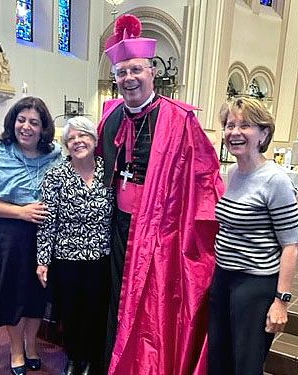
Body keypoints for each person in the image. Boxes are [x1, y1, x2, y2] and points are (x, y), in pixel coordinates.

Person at [97, 14, 225, 375]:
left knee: (151, 307)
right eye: (122, 72)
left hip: (161, 234)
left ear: (152, 71)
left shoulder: (180, 118)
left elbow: (204, 179)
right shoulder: (110, 115)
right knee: (116, 299)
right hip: (118, 227)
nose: (129, 78)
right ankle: (113, 361)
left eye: (136, 70)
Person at [0, 96, 63, 375]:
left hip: (44, 233)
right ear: (12, 122)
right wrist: (20, 212)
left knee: (37, 293)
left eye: (34, 122)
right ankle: (16, 350)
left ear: (43, 127)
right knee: (14, 294)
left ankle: (32, 345)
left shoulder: (55, 154)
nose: (26, 127)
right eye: (21, 120)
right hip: (8, 233)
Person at [209, 97, 298, 375]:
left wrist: (281, 301)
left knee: (245, 366)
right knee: (218, 360)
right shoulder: (233, 172)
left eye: (245, 125)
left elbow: (292, 244)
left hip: (255, 285)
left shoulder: (276, 179)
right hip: (224, 278)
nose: (234, 132)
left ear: (264, 133)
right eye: (229, 125)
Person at [36, 116, 114, 375]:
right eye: (72, 138)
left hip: (101, 257)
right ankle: (72, 358)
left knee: (96, 311)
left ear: (94, 139)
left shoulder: (110, 170)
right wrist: (43, 260)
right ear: (66, 144)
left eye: (84, 135)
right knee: (70, 312)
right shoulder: (56, 175)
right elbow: (47, 222)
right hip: (67, 257)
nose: (78, 141)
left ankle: (91, 360)